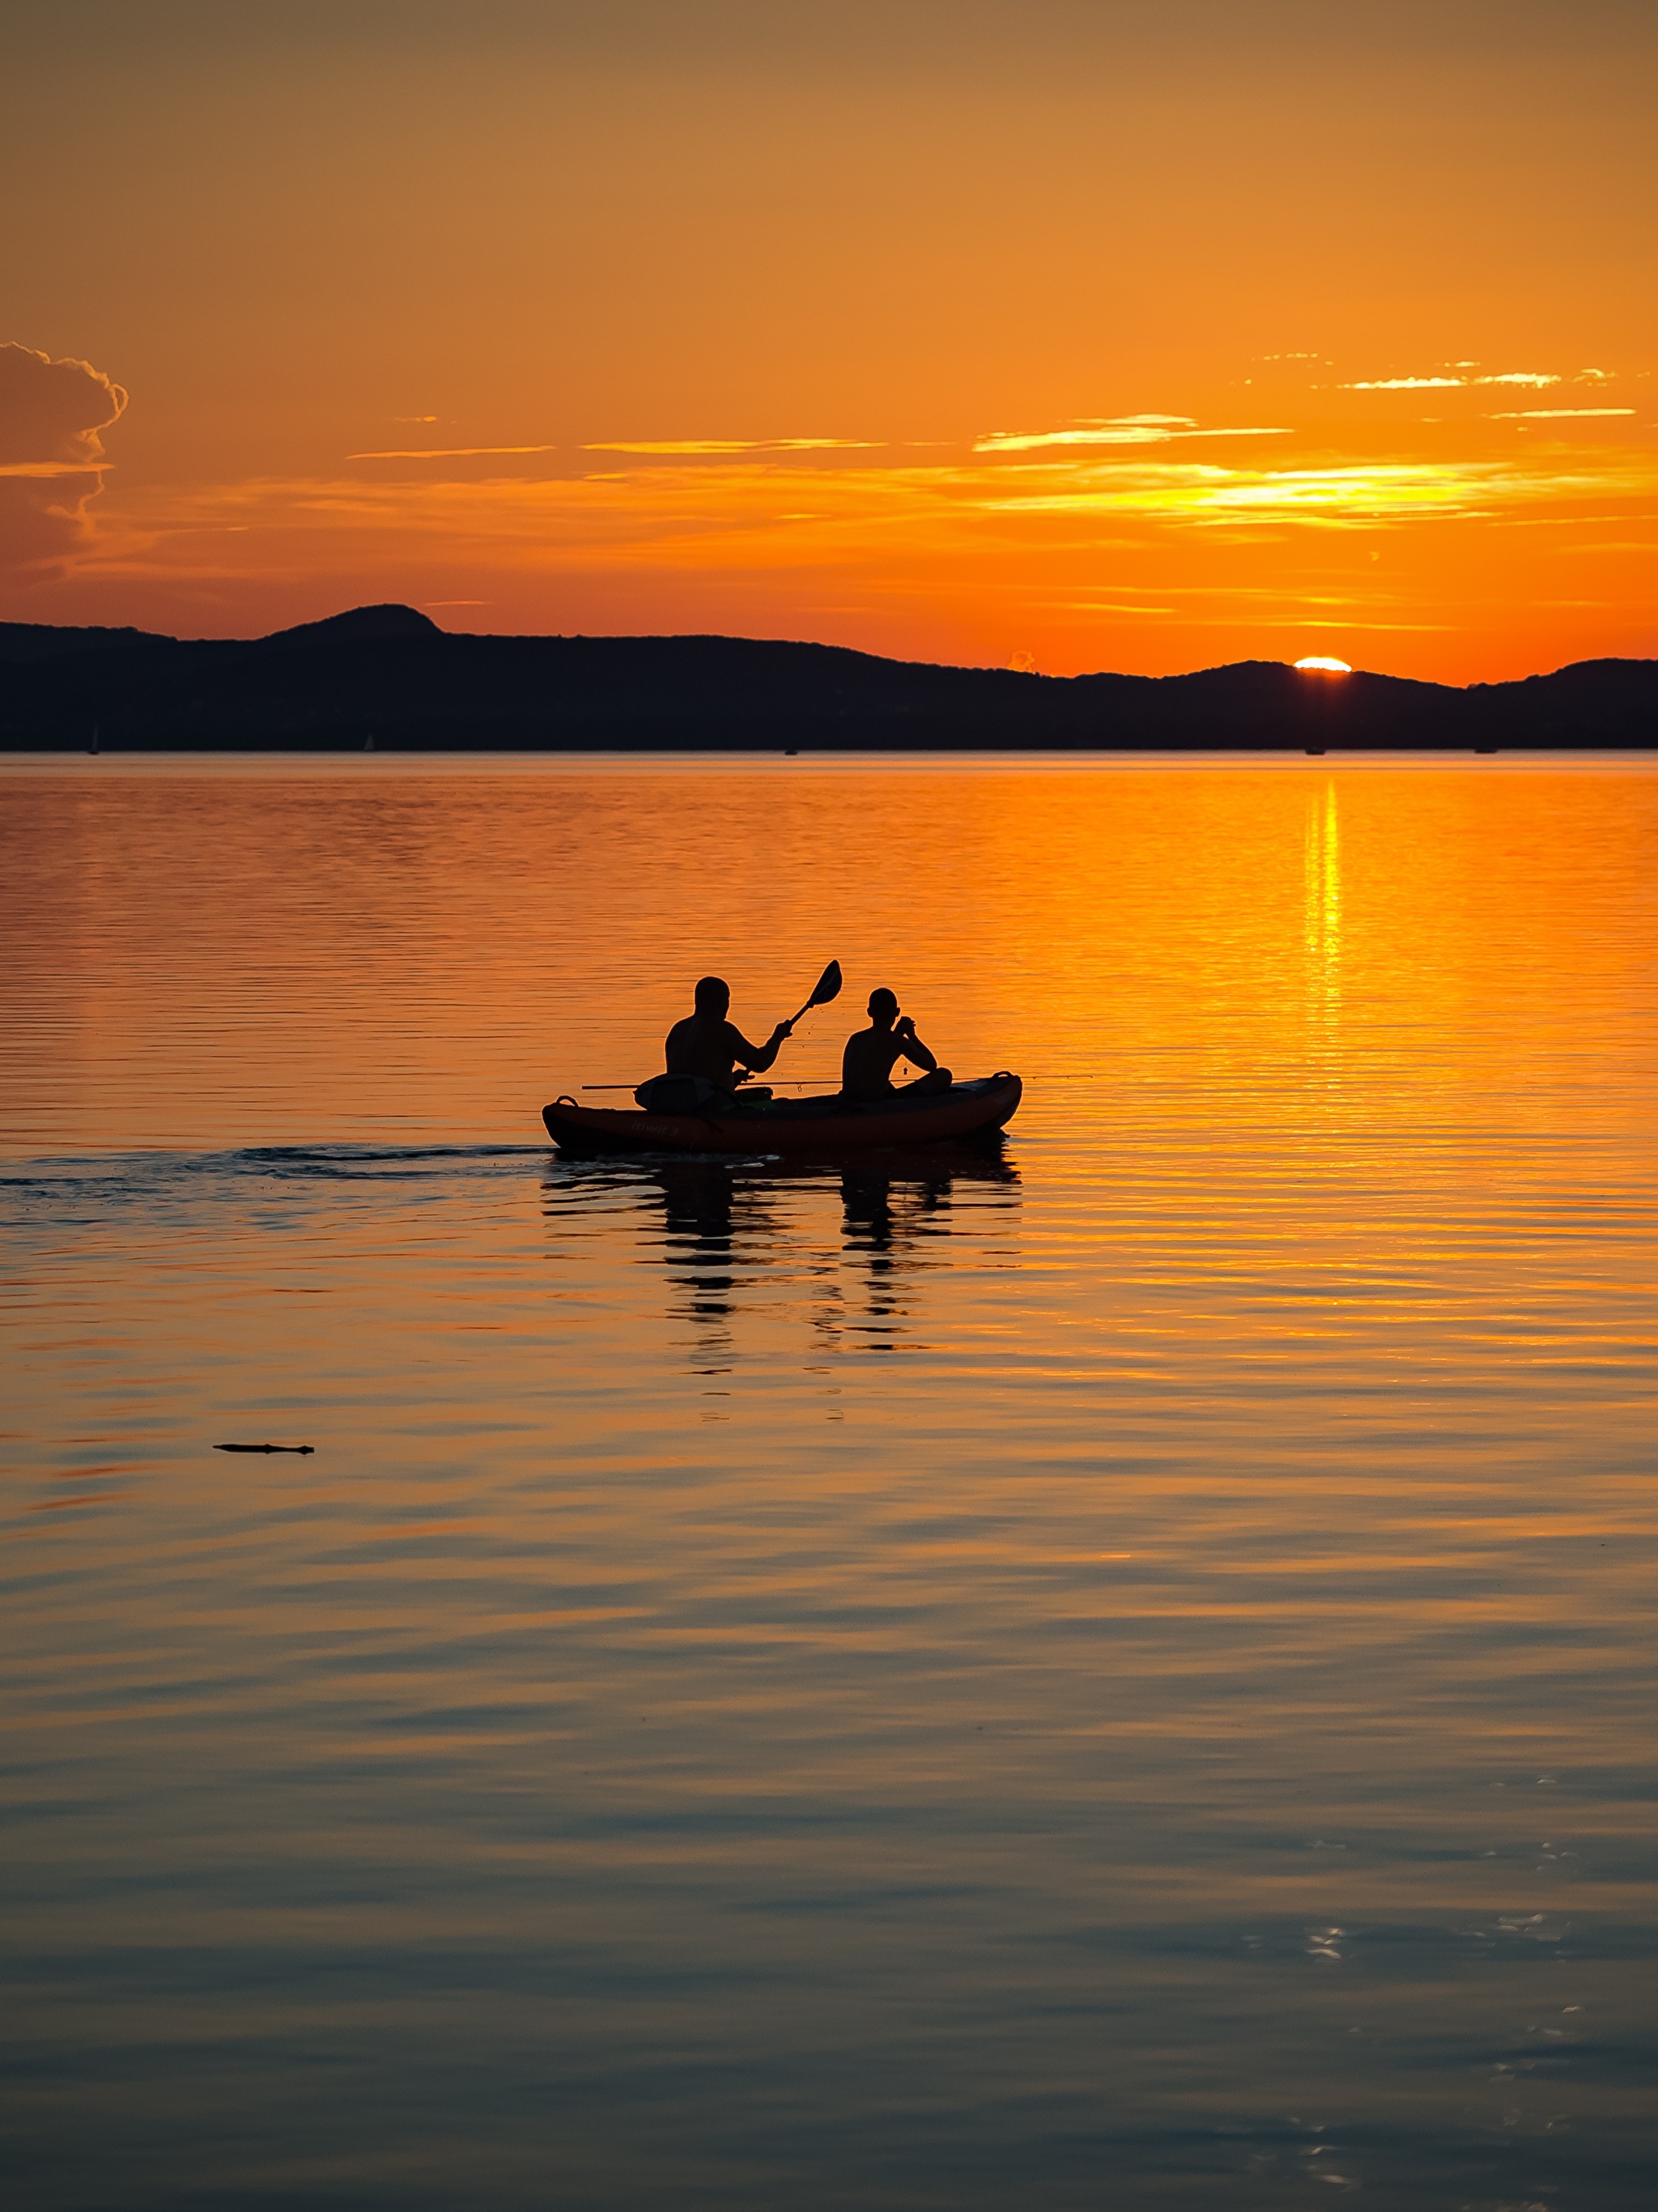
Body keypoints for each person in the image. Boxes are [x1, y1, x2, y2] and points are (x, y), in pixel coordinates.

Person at [664, 976, 793, 1095]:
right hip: (713, 1109)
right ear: (721, 1002)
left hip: (680, 1106)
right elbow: (760, 1062)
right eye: (727, 999)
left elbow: (696, 1075)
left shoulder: (677, 1030)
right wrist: (778, 1037)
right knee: (781, 1103)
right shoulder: (722, 1030)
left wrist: (732, 1079)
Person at [840, 989, 953, 1102]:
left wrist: (898, 1033)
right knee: (944, 1075)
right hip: (876, 1102)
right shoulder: (897, 1041)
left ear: (869, 1012)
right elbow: (931, 1065)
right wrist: (911, 1035)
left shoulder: (856, 1038)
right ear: (897, 1012)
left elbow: (881, 1055)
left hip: (849, 1099)